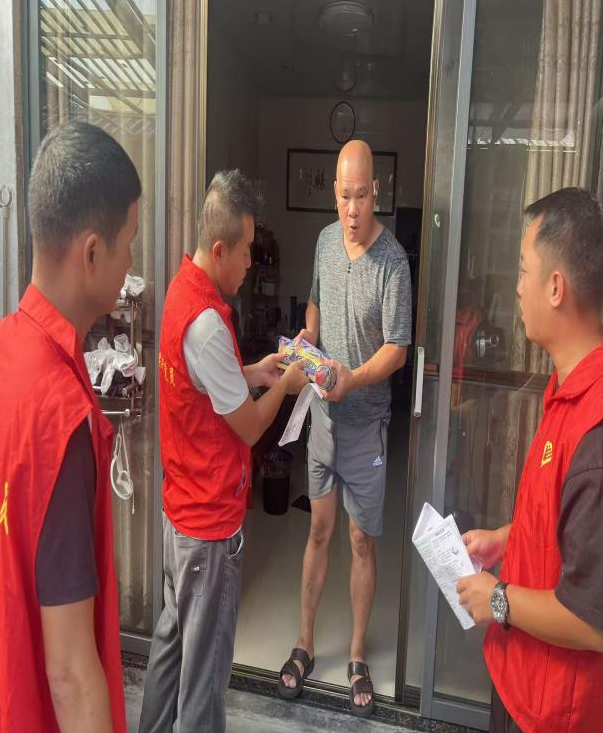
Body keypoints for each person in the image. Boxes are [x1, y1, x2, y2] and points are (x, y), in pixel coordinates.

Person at [139, 170, 307, 733]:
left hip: (179, 517)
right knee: (204, 680)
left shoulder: (182, 293)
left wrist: (257, 371)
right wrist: (286, 386)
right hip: (208, 530)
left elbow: (207, 382)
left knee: (170, 651)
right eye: (245, 251)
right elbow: (251, 427)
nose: (250, 263)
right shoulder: (209, 324)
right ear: (219, 250)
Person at [0, 121, 141, 732]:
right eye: (129, 243)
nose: (131, 262)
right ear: (91, 254)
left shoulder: (8, 351)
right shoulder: (61, 418)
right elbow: (70, 674)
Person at [457, 187, 603, 733]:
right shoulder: (566, 390)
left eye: (523, 270)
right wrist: (506, 538)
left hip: (553, 713)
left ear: (557, 287)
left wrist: (498, 600)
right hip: (518, 678)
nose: (517, 287)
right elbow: (565, 527)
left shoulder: (595, 434)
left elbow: (593, 621)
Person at [278, 140, 412, 717]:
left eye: (361, 197)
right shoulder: (325, 241)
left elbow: (398, 348)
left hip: (365, 423)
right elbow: (315, 304)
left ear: (375, 192)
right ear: (333, 193)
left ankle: (356, 653)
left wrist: (353, 378)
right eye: (344, 197)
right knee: (318, 531)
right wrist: (308, 337)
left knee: (361, 539)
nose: (352, 210)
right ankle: (305, 642)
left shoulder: (394, 262)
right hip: (324, 420)